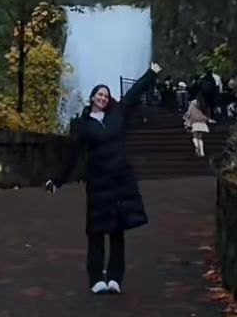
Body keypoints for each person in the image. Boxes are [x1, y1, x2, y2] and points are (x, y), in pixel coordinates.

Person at [46, 62, 161, 293]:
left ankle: (115, 277)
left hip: (120, 180)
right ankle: (96, 278)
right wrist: (57, 180)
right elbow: (72, 154)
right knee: (96, 230)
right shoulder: (84, 125)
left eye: (106, 95)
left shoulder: (117, 114)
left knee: (118, 230)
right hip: (98, 182)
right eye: (99, 94)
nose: (102, 98)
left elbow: (133, 94)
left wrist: (151, 73)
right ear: (92, 97)